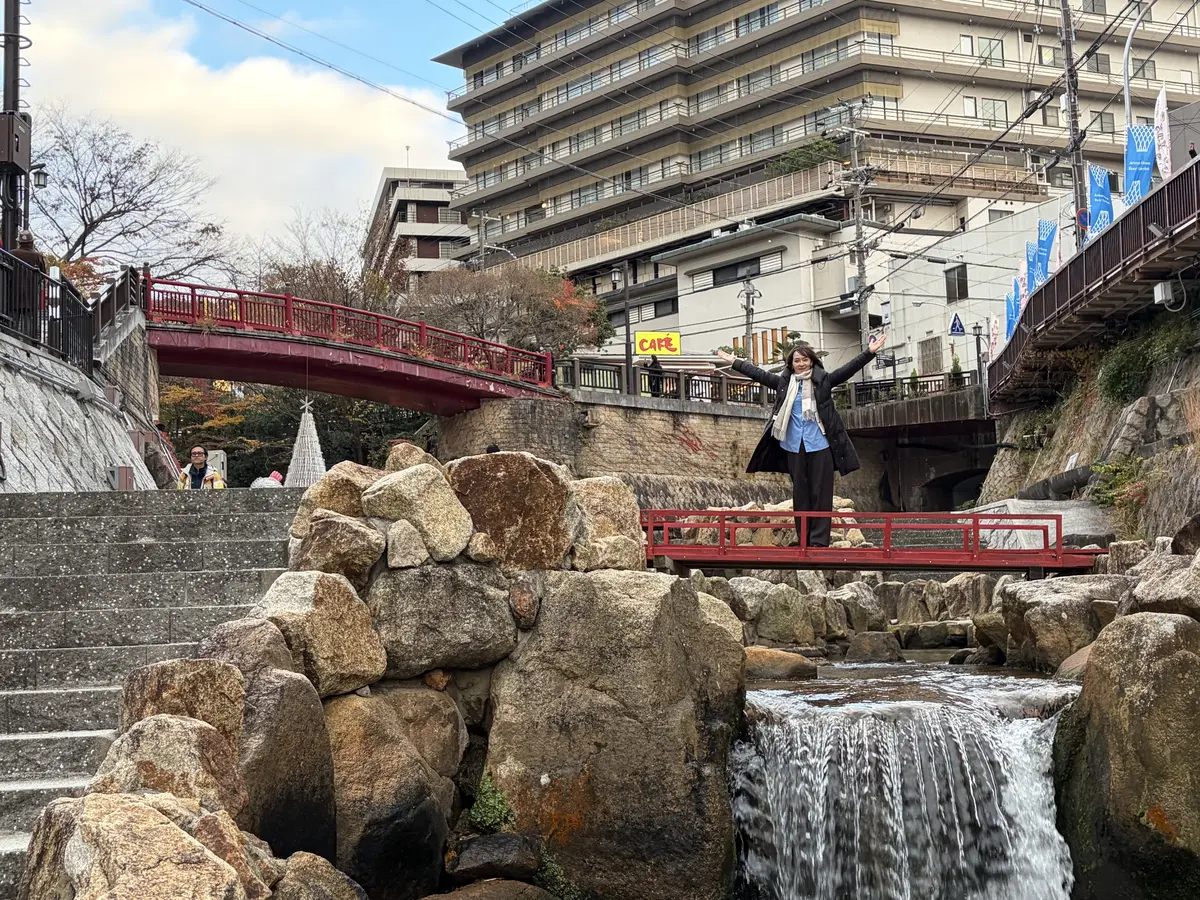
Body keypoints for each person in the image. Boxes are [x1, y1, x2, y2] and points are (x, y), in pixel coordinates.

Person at [716, 335, 886, 547]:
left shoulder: (823, 381)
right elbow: (759, 374)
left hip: (820, 444)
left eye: (805, 360)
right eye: (797, 360)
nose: (801, 364)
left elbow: (848, 370)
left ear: (812, 362)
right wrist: (735, 362)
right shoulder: (784, 385)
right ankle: (803, 538)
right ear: (791, 364)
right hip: (794, 446)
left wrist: (869, 352)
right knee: (801, 493)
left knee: (821, 494)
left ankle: (819, 541)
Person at [8, 230, 45, 344]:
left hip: (13, 293)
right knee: (28, 320)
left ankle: (11, 342)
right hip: (31, 294)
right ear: (31, 242)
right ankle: (27, 343)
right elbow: (42, 275)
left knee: (13, 320)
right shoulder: (37, 256)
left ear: (19, 242)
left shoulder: (11, 254)